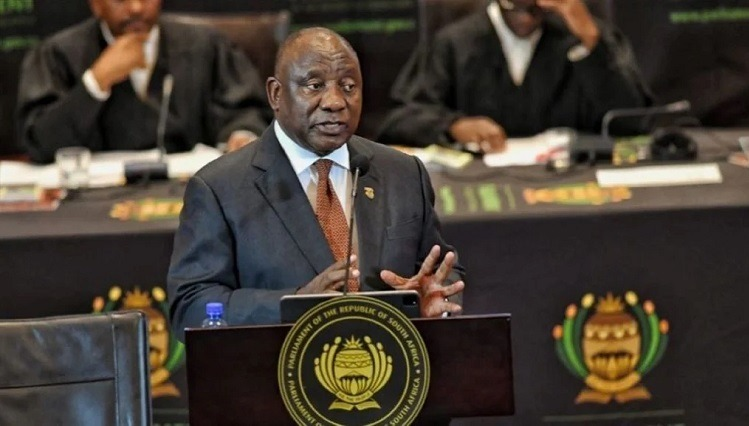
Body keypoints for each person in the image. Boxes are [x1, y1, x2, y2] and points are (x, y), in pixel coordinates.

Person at [167, 27, 465, 336]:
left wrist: (433, 298)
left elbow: (441, 271)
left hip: (386, 359)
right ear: (276, 94)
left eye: (348, 86)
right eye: (314, 85)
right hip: (276, 363)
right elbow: (191, 307)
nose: (335, 102)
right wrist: (295, 304)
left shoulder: (403, 173)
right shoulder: (219, 188)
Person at [377, 0, 652, 153]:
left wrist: (592, 44)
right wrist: (453, 125)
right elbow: (401, 119)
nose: (527, 18)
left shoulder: (578, 37)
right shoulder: (455, 43)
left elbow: (633, 121)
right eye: (515, 6)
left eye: (535, 9)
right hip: (479, 182)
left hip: (567, 178)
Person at [16, 0, 269, 164]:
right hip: (89, 204)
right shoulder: (57, 54)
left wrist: (242, 135)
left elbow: (246, 111)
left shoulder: (206, 46)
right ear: (95, 5)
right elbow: (40, 143)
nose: (136, 8)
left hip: (191, 192)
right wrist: (95, 83)